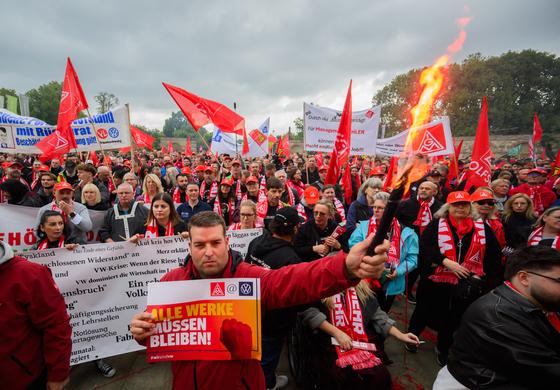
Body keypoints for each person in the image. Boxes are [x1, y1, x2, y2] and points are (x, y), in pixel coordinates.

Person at [130, 211, 390, 389]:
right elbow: (152, 332)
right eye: (199, 245)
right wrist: (140, 331)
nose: (208, 252)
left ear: (227, 242)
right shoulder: (171, 283)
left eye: (215, 243)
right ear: (189, 247)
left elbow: (294, 280)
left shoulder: (249, 280)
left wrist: (344, 268)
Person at [433, 246, 560, 389]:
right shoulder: (497, 317)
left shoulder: (541, 306)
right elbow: (548, 372)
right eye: (559, 280)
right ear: (524, 278)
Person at [407, 191, 503, 366]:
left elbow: (493, 255)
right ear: (448, 207)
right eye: (456, 205)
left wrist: (479, 274)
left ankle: (443, 348)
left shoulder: (481, 228)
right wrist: (445, 262)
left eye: (464, 205)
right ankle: (411, 337)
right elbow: (425, 247)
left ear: (470, 207)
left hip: (466, 283)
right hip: (436, 279)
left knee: (455, 317)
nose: (460, 208)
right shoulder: (437, 225)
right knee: (423, 310)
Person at [299, 280, 420, 389]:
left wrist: (401, 335)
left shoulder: (362, 291)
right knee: (340, 376)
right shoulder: (322, 289)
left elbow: (379, 317)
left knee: (380, 376)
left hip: (360, 340)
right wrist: (337, 333)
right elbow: (310, 314)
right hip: (330, 341)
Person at [0, 240, 72, 390]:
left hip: (25, 379)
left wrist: (58, 375)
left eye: (59, 223)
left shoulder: (29, 274)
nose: (57, 227)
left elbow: (56, 325)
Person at [246, 208, 304, 389]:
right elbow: (295, 296)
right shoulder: (291, 259)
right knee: (267, 359)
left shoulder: (256, 241)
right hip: (273, 322)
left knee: (252, 355)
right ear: (294, 229)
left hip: (250, 311)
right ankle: (267, 384)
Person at [350, 192, 419, 311]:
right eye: (374, 207)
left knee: (382, 312)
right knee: (362, 312)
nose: (376, 210)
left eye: (380, 208)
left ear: (390, 211)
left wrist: (398, 271)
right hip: (365, 279)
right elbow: (353, 245)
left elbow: (412, 259)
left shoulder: (407, 233)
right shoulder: (364, 226)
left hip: (390, 282)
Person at [396, 180, 442, 303]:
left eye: (427, 188)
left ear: (434, 192)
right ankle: (400, 286)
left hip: (428, 244)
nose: (423, 190)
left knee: (421, 268)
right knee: (407, 266)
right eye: (421, 188)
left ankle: (409, 290)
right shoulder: (406, 204)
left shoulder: (440, 207)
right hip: (408, 242)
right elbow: (396, 220)